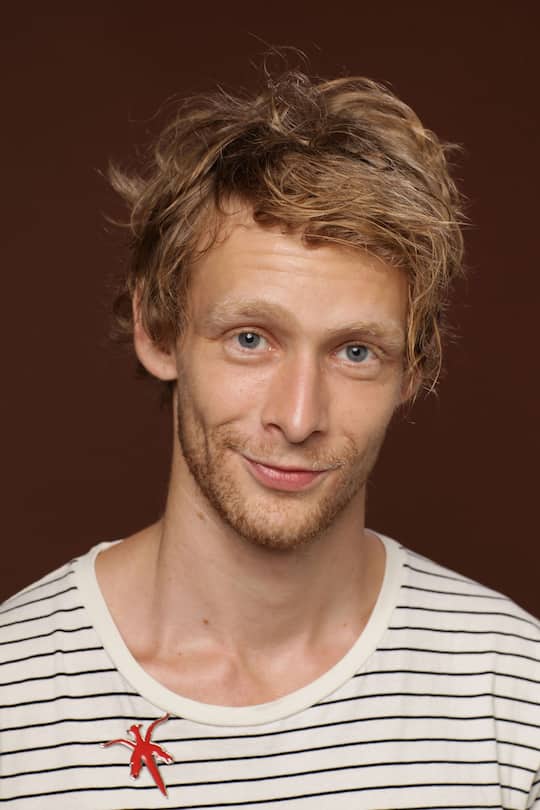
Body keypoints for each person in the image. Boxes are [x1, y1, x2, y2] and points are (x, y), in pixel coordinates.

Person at [1, 67, 539, 809]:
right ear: (158, 333)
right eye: (251, 338)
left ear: (413, 371)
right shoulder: (14, 696)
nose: (297, 416)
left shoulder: (512, 695)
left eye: (356, 351)